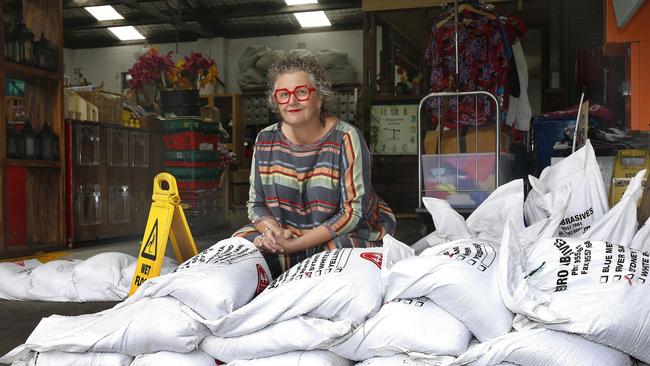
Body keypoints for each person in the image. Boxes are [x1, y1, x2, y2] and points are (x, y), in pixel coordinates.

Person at [233, 55, 396, 277]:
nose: (292, 101)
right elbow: (257, 204)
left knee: (335, 257)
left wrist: (295, 246)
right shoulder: (265, 139)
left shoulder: (346, 138)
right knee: (239, 248)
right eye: (283, 95)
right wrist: (275, 234)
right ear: (275, 101)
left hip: (343, 231)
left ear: (319, 98)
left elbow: (352, 213)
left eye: (301, 92)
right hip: (286, 230)